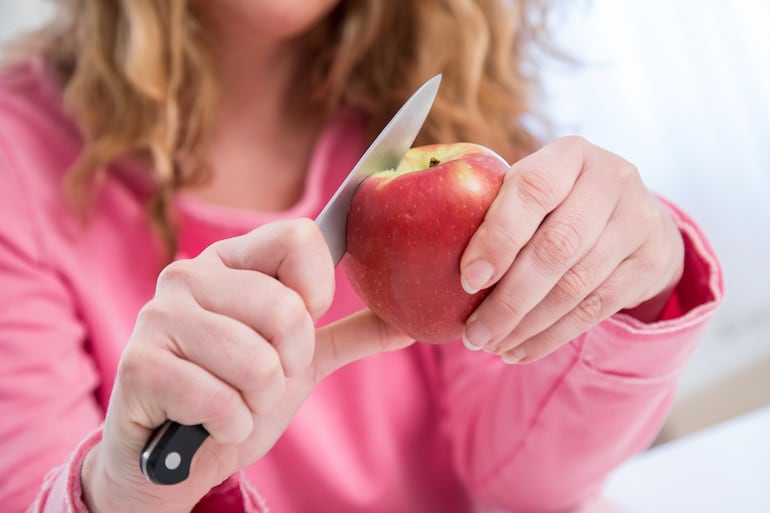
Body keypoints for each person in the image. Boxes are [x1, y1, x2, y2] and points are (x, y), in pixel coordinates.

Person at [0, 1, 723, 512]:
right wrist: (123, 496)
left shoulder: (446, 117)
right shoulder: (16, 161)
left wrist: (643, 282)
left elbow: (526, 480)